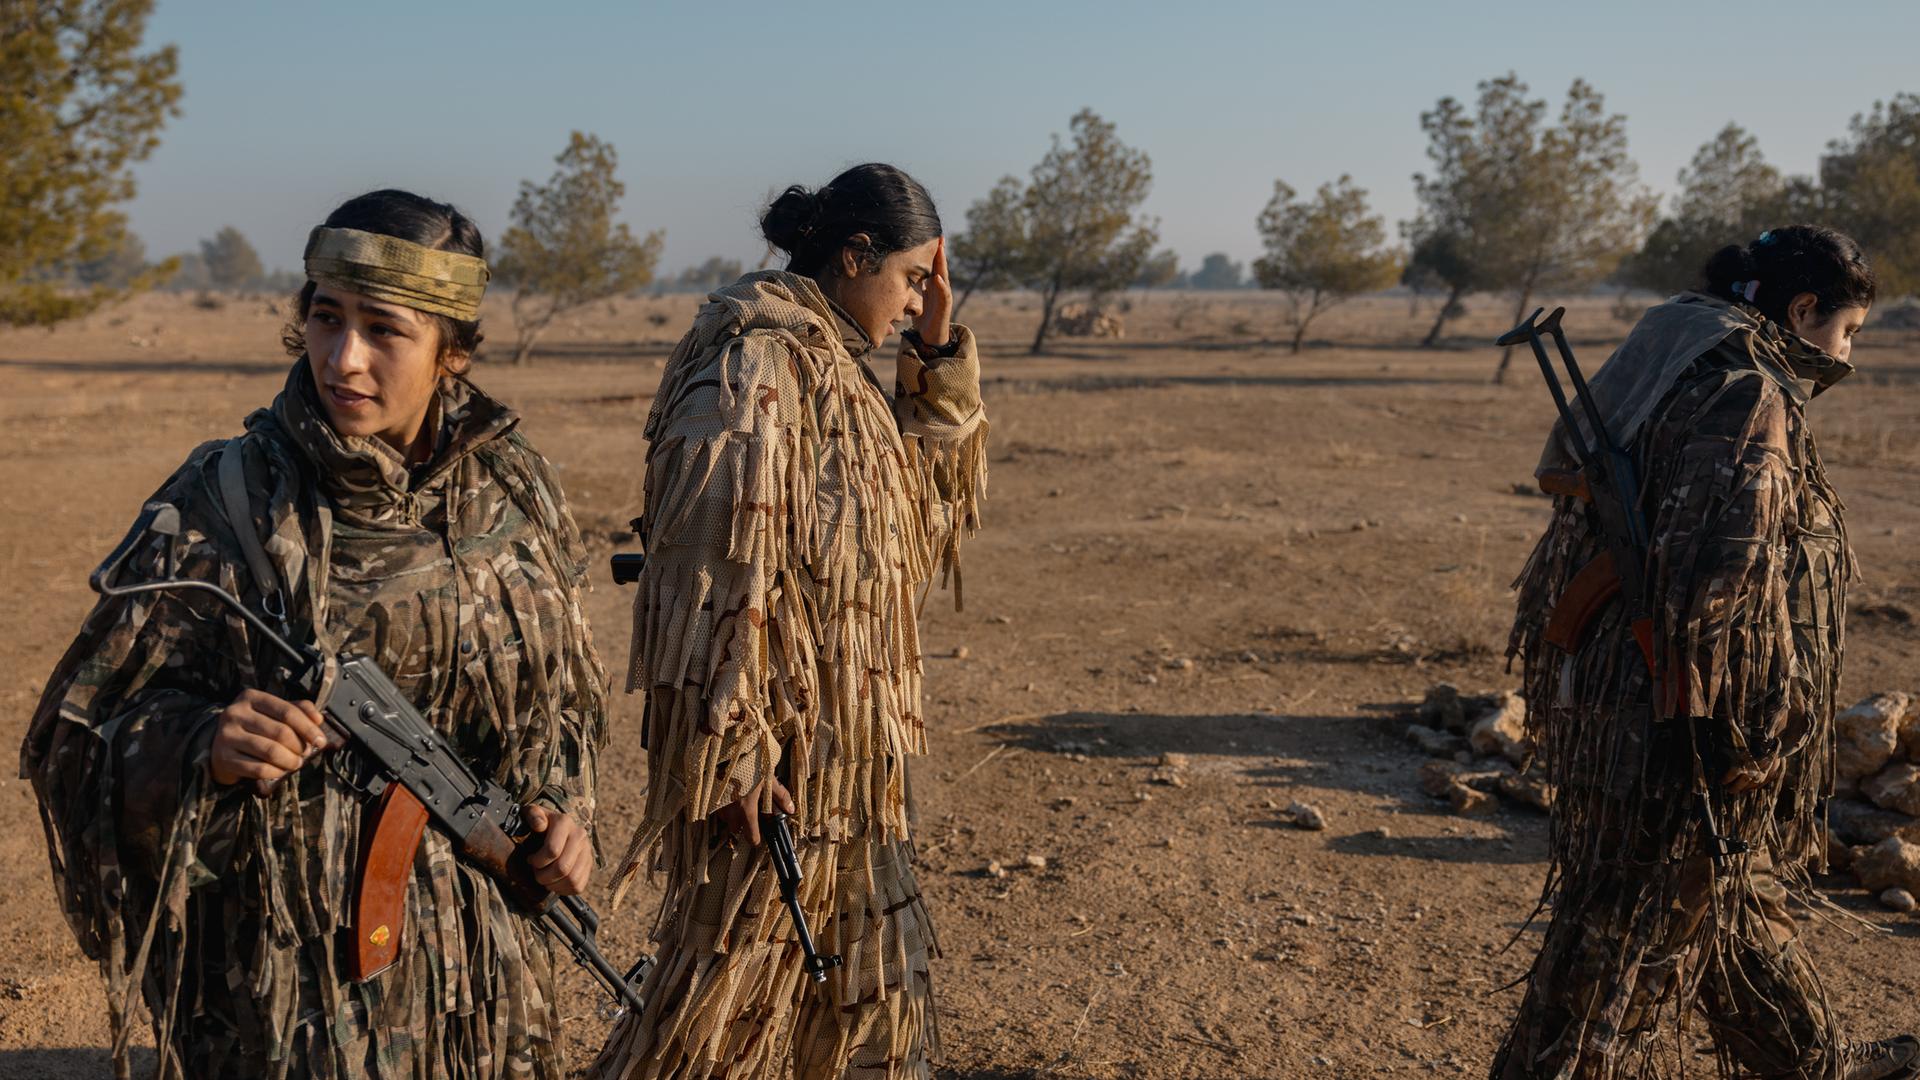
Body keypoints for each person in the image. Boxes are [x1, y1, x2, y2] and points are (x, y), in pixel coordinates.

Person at [22, 189, 610, 1080]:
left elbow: (561, 703)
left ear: (452, 352)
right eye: (326, 319)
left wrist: (563, 811)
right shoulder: (224, 502)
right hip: (290, 999)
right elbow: (73, 736)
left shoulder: (516, 492)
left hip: (481, 990)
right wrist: (203, 746)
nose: (345, 358)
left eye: (385, 330)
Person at [591, 162, 987, 1080]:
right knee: (722, 1019)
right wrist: (734, 756)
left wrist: (934, 356)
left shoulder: (834, 365)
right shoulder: (756, 367)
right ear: (855, 255)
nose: (922, 297)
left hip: (852, 770)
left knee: (871, 1007)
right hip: (779, 777)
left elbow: (909, 527)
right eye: (914, 277)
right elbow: (703, 573)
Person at [1493, 225, 1916, 1079]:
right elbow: (1721, 581)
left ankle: (1812, 1061)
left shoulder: (1670, 354)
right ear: (1803, 310)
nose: (1848, 354)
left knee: (1734, 901)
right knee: (1615, 953)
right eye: (1848, 331)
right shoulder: (1744, 392)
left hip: (1626, 690)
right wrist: (1735, 727)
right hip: (1679, 715)